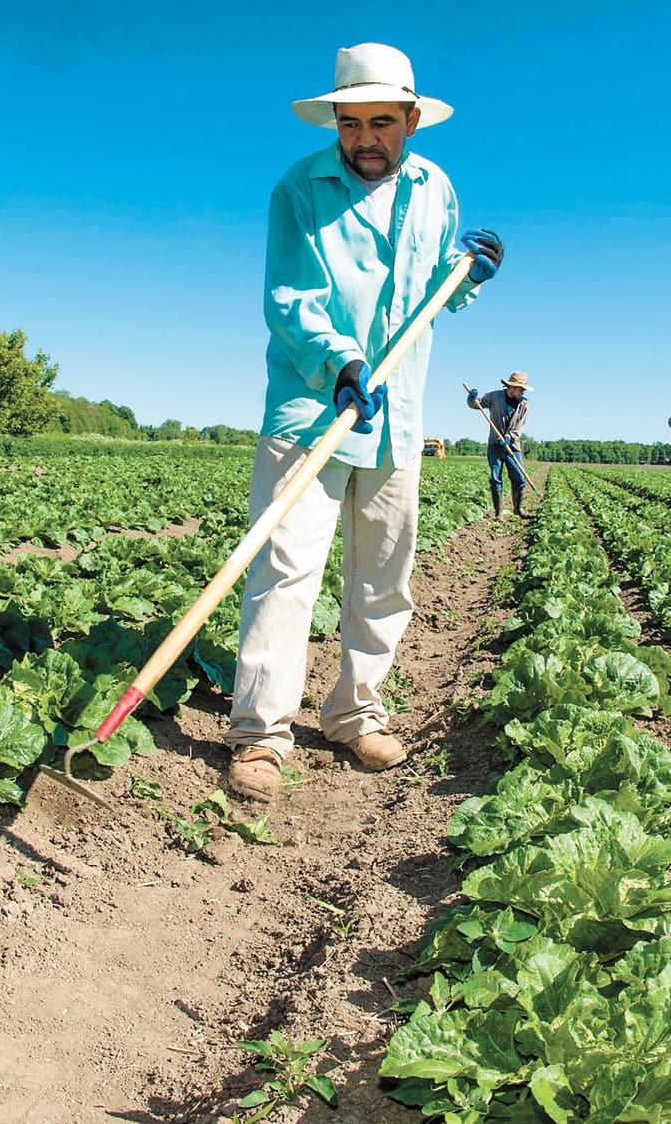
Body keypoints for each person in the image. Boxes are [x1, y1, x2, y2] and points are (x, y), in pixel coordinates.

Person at [226, 43, 505, 801]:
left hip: (398, 413)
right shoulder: (299, 190)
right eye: (351, 123)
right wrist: (341, 362)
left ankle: (355, 711)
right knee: (285, 571)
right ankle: (261, 733)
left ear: (411, 120)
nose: (365, 139)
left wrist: (470, 275)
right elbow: (290, 300)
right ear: (336, 122)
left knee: (384, 573)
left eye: (382, 122)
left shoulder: (434, 189)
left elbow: (438, 292)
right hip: (312, 406)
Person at [467, 371, 531, 519]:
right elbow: (477, 405)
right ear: (512, 387)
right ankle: (499, 513)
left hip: (512, 446)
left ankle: (518, 509)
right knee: (496, 478)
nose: (522, 392)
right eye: (520, 389)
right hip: (495, 445)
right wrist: (471, 399)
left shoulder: (524, 404)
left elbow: (519, 428)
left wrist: (509, 436)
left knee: (519, 478)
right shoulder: (494, 397)